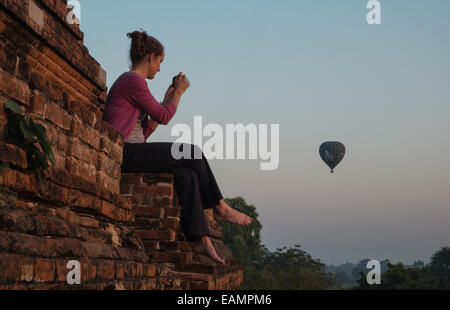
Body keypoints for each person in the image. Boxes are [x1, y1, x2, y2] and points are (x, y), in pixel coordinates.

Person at [102, 29, 253, 264]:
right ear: (150, 57)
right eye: (160, 62)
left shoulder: (134, 83)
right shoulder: (132, 80)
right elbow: (163, 116)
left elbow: (147, 128)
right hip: (123, 152)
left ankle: (200, 238)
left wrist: (167, 99)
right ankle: (220, 206)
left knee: (186, 173)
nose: (160, 68)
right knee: (190, 152)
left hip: (132, 150)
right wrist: (178, 94)